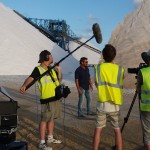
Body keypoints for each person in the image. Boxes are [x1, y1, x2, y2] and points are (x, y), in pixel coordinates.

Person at [20, 50, 62, 150]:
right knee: (44, 120)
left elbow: (59, 81)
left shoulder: (52, 69)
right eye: (51, 56)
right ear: (46, 57)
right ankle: (42, 142)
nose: (52, 58)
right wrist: (24, 85)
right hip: (46, 99)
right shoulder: (38, 69)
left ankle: (50, 138)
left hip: (55, 98)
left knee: (51, 119)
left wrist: (59, 70)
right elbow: (31, 78)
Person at [93, 44, 124, 150]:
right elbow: (121, 84)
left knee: (98, 129)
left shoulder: (98, 68)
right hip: (115, 105)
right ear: (114, 55)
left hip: (102, 103)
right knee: (117, 130)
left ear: (103, 55)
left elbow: (97, 83)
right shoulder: (120, 69)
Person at [136, 50, 150, 150]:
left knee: (147, 130)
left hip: (146, 107)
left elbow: (138, 90)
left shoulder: (142, 72)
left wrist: (138, 85)